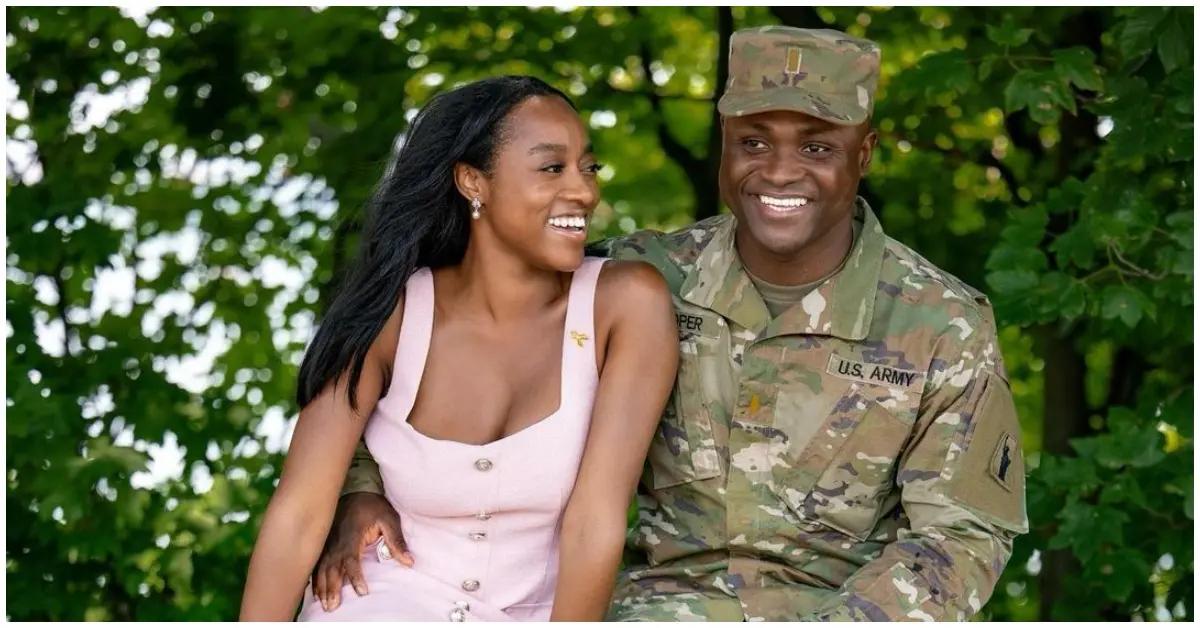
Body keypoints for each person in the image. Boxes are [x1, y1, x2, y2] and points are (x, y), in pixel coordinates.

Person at [316, 26, 1029, 622]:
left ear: (863, 153)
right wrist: (359, 484)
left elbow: (963, 536)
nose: (779, 171)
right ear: (724, 142)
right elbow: (438, 339)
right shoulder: (637, 280)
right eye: (753, 142)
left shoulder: (941, 323)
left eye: (817, 147)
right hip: (647, 608)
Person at [239, 75, 678, 621]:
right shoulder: (390, 314)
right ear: (473, 181)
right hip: (380, 604)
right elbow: (299, 514)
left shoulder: (625, 302)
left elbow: (597, 521)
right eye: (551, 167)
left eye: (589, 167)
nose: (585, 191)